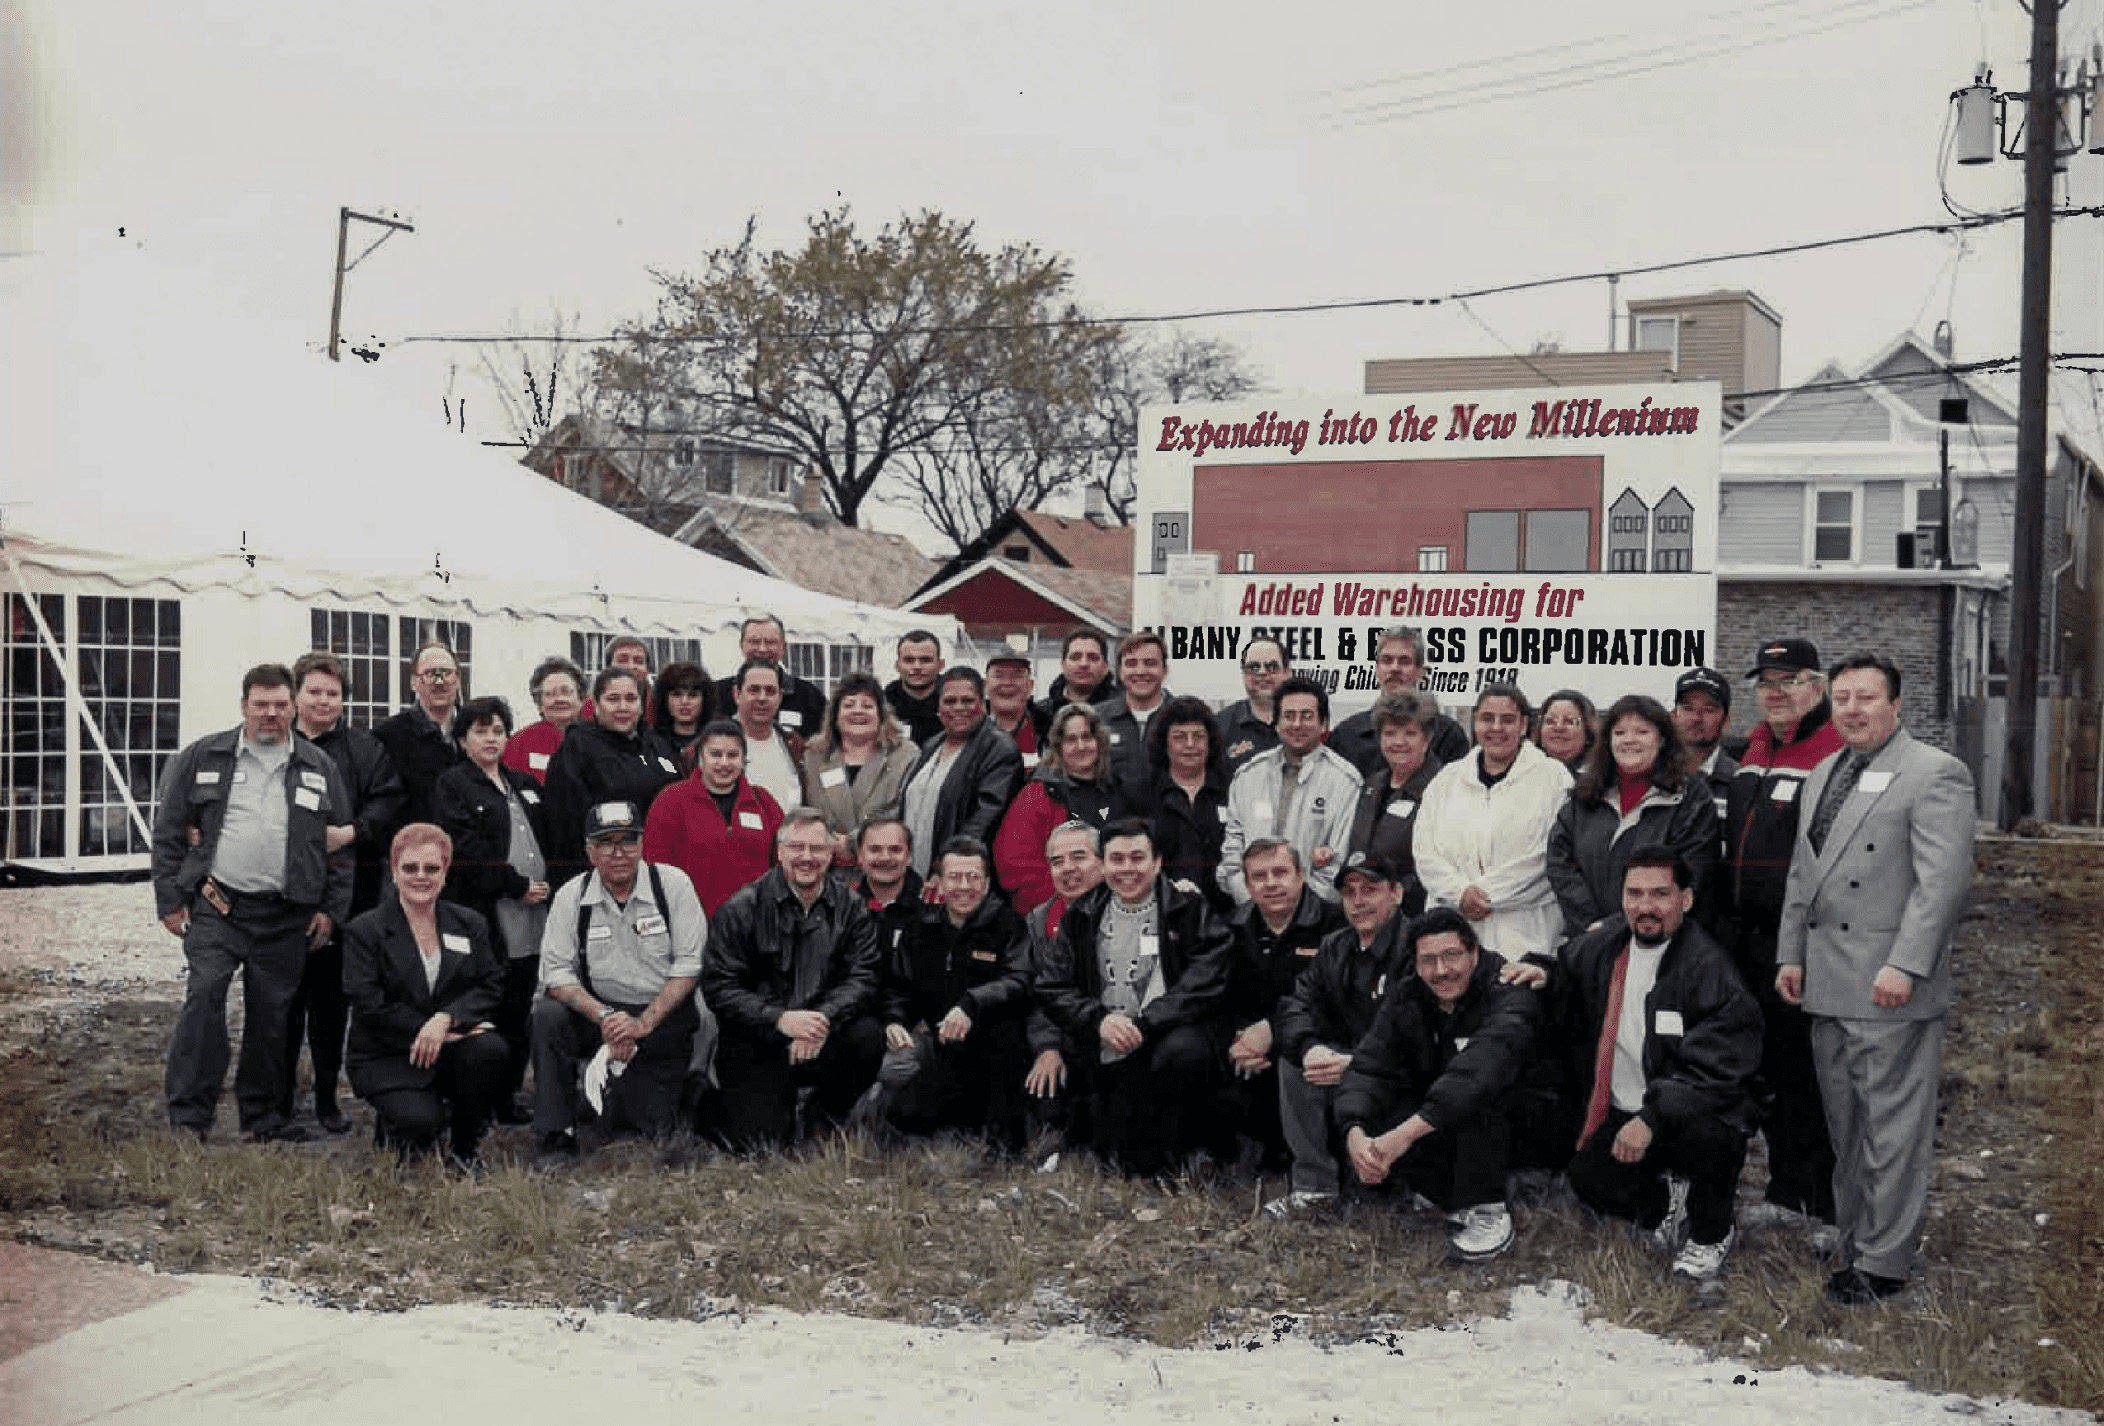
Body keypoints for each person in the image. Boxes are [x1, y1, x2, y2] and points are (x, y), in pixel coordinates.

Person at [1777, 654, 1975, 1306]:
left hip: (1888, 984)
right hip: (1829, 983)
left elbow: (1941, 884)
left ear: (1896, 704)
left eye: (1866, 697)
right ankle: (1855, 1239)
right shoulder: (1825, 772)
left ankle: (1885, 1262)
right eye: (1842, 698)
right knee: (1848, 1129)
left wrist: (1906, 964)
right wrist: (1790, 956)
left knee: (1893, 1130)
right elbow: (1804, 877)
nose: (1853, 709)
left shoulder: (1933, 773)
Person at [153, 663, 352, 1142]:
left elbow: (341, 847)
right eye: (261, 704)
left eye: (281, 704)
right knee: (204, 998)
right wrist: (168, 900)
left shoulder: (318, 767)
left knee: (272, 1017)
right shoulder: (204, 755)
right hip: (217, 906)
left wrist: (330, 909)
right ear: (243, 705)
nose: (272, 714)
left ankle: (262, 1119)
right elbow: (167, 833)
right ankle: (189, 1116)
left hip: (284, 915)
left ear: (293, 707)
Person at [1557, 851, 1761, 1283]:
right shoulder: (1606, 947)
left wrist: (1652, 1117)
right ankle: (1668, 1202)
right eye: (1634, 893)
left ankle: (1711, 1232)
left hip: (1689, 1109)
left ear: (1685, 900)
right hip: (1627, 1108)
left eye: (1660, 894)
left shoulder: (1709, 969)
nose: (1645, 907)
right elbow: (1563, 967)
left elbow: (1720, 1070)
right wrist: (1535, 970)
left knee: (1713, 1137)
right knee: (1587, 1178)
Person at [1335, 907, 1547, 1261]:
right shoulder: (1408, 995)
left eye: (1452, 956)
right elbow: (1370, 1066)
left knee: (1476, 1097)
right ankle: (1432, 1193)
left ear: (1474, 953)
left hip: (1526, 1120)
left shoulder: (1509, 989)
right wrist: (1354, 1132)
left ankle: (1488, 1209)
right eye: (1429, 960)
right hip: (1443, 1116)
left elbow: (1481, 1070)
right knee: (1382, 1098)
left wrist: (1400, 1138)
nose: (1441, 971)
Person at [1722, 636, 1846, 1230]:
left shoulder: (1834, 752)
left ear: (1818, 689)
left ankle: (1820, 1200)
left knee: (1806, 1070)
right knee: (1765, 1064)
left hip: (1801, 940)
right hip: (1748, 941)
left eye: (1789, 680)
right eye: (1765, 683)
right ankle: (1783, 1190)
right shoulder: (1755, 746)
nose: (1775, 693)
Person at [1033, 817, 1235, 1177]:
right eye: (1117, 859)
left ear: (1156, 862)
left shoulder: (1189, 909)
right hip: (1105, 1042)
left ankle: (1188, 1152)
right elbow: (1052, 987)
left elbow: (1205, 982)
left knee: (1183, 1055)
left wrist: (1147, 1023)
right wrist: (1098, 1020)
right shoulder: (1080, 915)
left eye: (1137, 858)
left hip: (1164, 1039)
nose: (1127, 869)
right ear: (1103, 864)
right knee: (1119, 1161)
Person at [701, 809, 886, 1150]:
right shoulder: (742, 908)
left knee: (868, 1038)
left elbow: (864, 976)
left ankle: (823, 1117)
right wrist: (781, 1020)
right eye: (796, 847)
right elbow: (719, 986)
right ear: (780, 850)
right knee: (762, 1146)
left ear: (832, 853)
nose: (807, 858)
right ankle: (710, 1099)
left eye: (817, 849)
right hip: (759, 1037)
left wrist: (822, 1019)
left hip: (823, 1032)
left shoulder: (852, 907)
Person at [532, 800, 706, 1160]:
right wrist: (606, 1017)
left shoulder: (673, 885)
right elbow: (554, 974)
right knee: (547, 1014)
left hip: (661, 1016)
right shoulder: (571, 895)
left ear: (642, 844)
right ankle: (556, 1134)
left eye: (628, 841)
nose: (618, 853)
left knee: (642, 1125)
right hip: (600, 1014)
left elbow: (689, 967)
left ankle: (632, 1092)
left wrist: (642, 1024)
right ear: (589, 851)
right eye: (605, 842)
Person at [286, 649, 405, 1135]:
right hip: (282, 897)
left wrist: (352, 831)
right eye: (313, 691)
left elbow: (388, 799)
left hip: (346, 896)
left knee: (331, 1003)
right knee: (282, 1003)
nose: (322, 701)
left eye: (332, 693)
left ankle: (327, 1096)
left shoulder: (363, 748)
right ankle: (277, 1095)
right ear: (296, 696)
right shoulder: (275, 744)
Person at [342, 823, 508, 1168]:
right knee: (421, 1126)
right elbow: (370, 1005)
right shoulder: (365, 930)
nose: (421, 877)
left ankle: (464, 1151)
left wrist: (446, 1019)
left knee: (490, 1050)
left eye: (432, 868)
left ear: (445, 872)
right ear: (393, 871)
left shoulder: (469, 923)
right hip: (388, 1054)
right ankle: (400, 1122)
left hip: (447, 1043)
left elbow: (491, 984)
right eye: (410, 868)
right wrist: (434, 1032)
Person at [1264, 851, 1413, 1216]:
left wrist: (1359, 1064)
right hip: (1350, 1065)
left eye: (1370, 889)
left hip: (1402, 1074)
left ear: (1396, 893)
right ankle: (1315, 1190)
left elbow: (1417, 1034)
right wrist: (1310, 1047)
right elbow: (1296, 1004)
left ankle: (1412, 1187)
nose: (1358, 901)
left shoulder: (1417, 946)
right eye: (1349, 892)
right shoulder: (1335, 946)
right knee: (1295, 1063)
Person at [432, 695, 551, 1125]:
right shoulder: (453, 785)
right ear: (463, 740)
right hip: (487, 912)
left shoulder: (525, 783)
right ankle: (474, 1098)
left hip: (532, 915)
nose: (490, 738)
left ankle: (508, 1096)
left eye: (498, 730)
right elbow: (462, 848)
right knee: (486, 1003)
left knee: (519, 1005)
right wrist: (515, 885)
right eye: (480, 731)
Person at [879, 836, 1033, 1147]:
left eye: (973, 877)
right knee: (893, 1071)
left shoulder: (1009, 926)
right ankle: (879, 1123)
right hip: (931, 1037)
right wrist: (894, 1021)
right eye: (955, 877)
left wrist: (971, 1004)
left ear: (987, 884)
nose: (964, 886)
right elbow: (898, 986)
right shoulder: (921, 927)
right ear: (940, 882)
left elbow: (1020, 980)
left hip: (989, 1039)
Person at [1415, 684, 1572, 967]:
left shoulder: (1554, 779)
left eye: (1508, 720)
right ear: (1475, 722)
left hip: (1525, 936)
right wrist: (1459, 894)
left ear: (1524, 725)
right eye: (1487, 718)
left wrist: (1484, 896)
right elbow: (1425, 852)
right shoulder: (1446, 780)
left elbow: (1549, 857)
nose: (1496, 728)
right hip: (1453, 933)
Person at [1547, 694, 1719, 938]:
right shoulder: (1585, 796)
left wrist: (1616, 927)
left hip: (1661, 943)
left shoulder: (1691, 798)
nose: (1629, 740)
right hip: (1589, 941)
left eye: (1641, 732)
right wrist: (1591, 925)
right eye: (1619, 733)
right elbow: (1559, 863)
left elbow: (1692, 875)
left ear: (1661, 739)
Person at [1223, 840, 1346, 1172]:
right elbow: (1223, 995)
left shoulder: (1335, 926)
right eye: (1259, 876)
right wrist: (1240, 1038)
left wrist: (1273, 1032)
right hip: (1250, 1044)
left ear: (1301, 875)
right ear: (1247, 885)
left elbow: (1337, 1003)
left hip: (1313, 1038)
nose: (1271, 883)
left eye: (1280, 872)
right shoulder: (1233, 927)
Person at [1218, 676, 1360, 905]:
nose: (1296, 724)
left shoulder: (1345, 782)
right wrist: (1250, 901)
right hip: (1250, 913)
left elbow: (1339, 862)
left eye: (1306, 716)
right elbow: (1233, 849)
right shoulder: (1248, 776)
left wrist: (1295, 911)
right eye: (1289, 716)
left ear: (1323, 723)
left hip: (1314, 919)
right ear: (1276, 723)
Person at [541, 666, 683, 887]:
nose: (623, 707)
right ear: (596, 706)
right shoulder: (577, 747)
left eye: (630, 698)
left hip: (657, 873)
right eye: (613, 699)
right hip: (602, 875)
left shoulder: (657, 745)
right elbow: (565, 826)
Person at [993, 701, 1132, 915]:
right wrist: (1062, 910)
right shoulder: (1037, 795)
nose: (1081, 746)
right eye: (1071, 739)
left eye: (1087, 737)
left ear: (1099, 742)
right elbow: (1016, 868)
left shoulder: (1117, 791)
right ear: (1058, 747)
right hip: (1060, 915)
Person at [641, 719, 783, 915]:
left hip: (754, 925)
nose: (724, 763)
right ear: (700, 757)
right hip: (692, 924)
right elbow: (655, 870)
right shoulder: (671, 801)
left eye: (732, 755)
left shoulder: (764, 803)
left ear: (743, 760)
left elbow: (783, 863)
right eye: (715, 754)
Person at [897, 667, 1026, 879]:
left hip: (960, 877)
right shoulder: (932, 744)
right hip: (917, 874)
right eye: (949, 701)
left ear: (982, 704)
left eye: (967, 701)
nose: (958, 708)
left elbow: (986, 818)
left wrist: (947, 866)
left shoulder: (999, 749)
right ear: (938, 706)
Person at [1019, 820, 1105, 1131]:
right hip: (1062, 1037)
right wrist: (1047, 1048)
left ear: (1103, 862)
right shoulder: (1038, 921)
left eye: (1079, 857)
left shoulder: (1123, 909)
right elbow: (1038, 995)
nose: (1067, 869)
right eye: (1057, 861)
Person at [1342, 690, 1445, 916]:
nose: (1398, 742)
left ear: (1426, 739)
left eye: (1409, 733)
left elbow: (1438, 865)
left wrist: (1389, 896)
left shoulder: (1442, 788)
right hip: (1364, 912)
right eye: (1390, 733)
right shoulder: (1372, 784)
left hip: (1413, 915)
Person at [801, 672, 918, 865]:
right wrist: (828, 843)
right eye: (848, 705)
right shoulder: (813, 756)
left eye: (867, 705)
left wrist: (854, 842)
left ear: (881, 715)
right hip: (826, 867)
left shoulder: (906, 755)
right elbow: (803, 809)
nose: (858, 711)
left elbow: (906, 809)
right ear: (835, 716)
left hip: (884, 864)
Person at [1137, 697, 1234, 919]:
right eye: (1179, 737)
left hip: (1226, 914)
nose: (1190, 744)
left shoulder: (1232, 788)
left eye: (1198, 736)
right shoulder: (1141, 794)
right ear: (1165, 744)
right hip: (1159, 912)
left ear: (1210, 742)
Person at [1329, 627, 1470, 777]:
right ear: (1377, 669)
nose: (1395, 668)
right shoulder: (1347, 735)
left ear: (1420, 671)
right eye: (1387, 660)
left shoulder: (1447, 735)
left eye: (1404, 661)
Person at [375, 640, 466, 828]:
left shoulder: (477, 731)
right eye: (430, 674)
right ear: (413, 682)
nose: (439, 682)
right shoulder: (388, 737)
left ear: (458, 680)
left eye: (446, 673)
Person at [711, 613, 829, 740]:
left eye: (770, 642)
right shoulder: (716, 694)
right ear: (741, 645)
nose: (762, 649)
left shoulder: (809, 696)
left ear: (783, 647)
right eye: (754, 641)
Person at [1097, 631, 1171, 791]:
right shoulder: (1096, 719)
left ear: (1165, 670)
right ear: (1120, 671)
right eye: (1131, 663)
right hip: (1108, 815)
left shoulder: (1187, 718)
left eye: (1150, 663)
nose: (1140, 671)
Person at [729, 657, 805, 813]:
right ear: (737, 694)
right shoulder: (713, 744)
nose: (762, 698)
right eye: (754, 690)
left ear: (780, 696)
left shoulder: (794, 744)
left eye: (770, 691)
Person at [503, 655, 588, 785]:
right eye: (550, 694)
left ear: (581, 699)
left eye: (566, 692)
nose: (559, 699)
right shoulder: (518, 743)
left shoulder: (597, 740)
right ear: (539, 704)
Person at [1216, 637, 1289, 774]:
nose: (1262, 672)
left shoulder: (1301, 722)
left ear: (1286, 672)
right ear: (1243, 674)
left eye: (1271, 667)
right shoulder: (1220, 726)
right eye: (1254, 667)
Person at [1672, 668, 1738, 785]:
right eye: (1688, 708)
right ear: (1674, 715)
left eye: (1708, 710)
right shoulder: (1650, 775)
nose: (1696, 718)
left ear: (1725, 720)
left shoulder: (1741, 780)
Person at [1035, 628, 1119, 720]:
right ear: (1063, 664)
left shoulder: (1124, 711)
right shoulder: (1039, 714)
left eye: (1093, 657)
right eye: (1075, 657)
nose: (1084, 664)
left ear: (1105, 666)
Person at [984, 651, 1050, 763]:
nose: (1007, 683)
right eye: (998, 675)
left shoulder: (1050, 730)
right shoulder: (968, 730)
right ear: (985, 685)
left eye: (1017, 675)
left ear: (1031, 686)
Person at [885, 630, 946, 747]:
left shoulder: (954, 699)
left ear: (940, 665)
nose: (917, 667)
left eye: (925, 660)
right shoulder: (884, 703)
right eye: (909, 660)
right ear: (897, 665)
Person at [649, 660, 715, 769]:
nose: (684, 702)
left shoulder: (716, 738)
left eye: (693, 695)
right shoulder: (650, 743)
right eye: (676, 695)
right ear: (664, 699)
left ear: (705, 700)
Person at [1534, 690, 1597, 775]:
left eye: (1569, 721)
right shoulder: (1523, 772)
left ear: (1588, 733)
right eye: (1550, 721)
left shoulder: (1600, 779)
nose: (1559, 727)